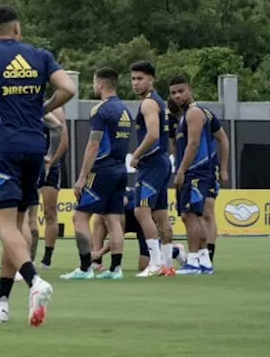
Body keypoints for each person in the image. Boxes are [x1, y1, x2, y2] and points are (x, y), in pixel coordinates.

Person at [0, 6, 74, 327]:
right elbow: (68, 88)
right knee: (21, 219)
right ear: (18, 28)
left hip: (2, 146)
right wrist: (44, 106)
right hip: (34, 146)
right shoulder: (39, 55)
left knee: (3, 225)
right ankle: (0, 300)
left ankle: (35, 282)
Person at [61, 68, 131, 281]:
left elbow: (93, 145)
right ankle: (116, 269)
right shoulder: (124, 109)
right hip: (121, 170)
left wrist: (82, 177)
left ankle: (84, 268)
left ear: (100, 84)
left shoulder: (100, 110)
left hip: (102, 171)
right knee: (113, 220)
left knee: (80, 217)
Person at [171, 74, 226, 276]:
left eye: (181, 91)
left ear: (190, 90)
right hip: (197, 172)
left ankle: (193, 261)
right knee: (194, 215)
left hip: (196, 172)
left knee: (190, 215)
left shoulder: (194, 113)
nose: (177, 96)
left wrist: (181, 171)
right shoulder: (185, 116)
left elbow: (193, 144)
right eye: (173, 93)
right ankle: (203, 260)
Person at [126, 61, 175, 277]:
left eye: (140, 79)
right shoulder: (159, 102)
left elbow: (153, 134)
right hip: (162, 161)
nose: (136, 83)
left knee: (140, 210)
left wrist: (136, 155)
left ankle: (155, 262)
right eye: (133, 79)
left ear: (151, 79)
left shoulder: (148, 103)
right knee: (161, 214)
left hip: (152, 163)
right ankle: (167, 263)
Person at [37, 110, 68, 271]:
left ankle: (47, 258)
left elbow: (64, 142)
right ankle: (23, 257)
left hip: (50, 165)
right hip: (29, 161)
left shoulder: (56, 110)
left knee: (49, 212)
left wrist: (50, 162)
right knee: (25, 212)